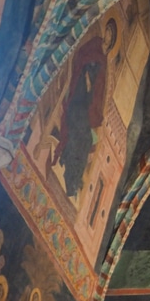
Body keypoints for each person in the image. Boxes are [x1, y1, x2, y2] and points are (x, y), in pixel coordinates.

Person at [56, 18, 116, 200]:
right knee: (83, 135)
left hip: (85, 105)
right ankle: (71, 176)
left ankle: (73, 179)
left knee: (87, 138)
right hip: (77, 99)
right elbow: (81, 58)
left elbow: (99, 90)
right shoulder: (94, 45)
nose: (107, 35)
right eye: (108, 31)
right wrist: (86, 78)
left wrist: (93, 99)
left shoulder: (104, 59)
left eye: (111, 34)